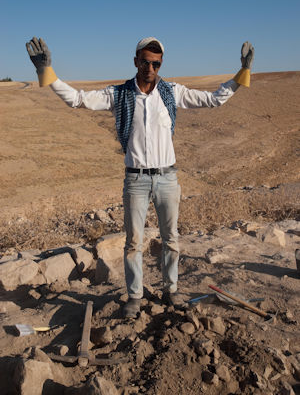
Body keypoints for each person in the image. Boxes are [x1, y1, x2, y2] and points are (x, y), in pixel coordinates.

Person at [26, 36, 254, 318]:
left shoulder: (172, 92)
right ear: (135, 62)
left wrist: (242, 72)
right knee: (133, 242)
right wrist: (46, 72)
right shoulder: (118, 94)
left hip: (168, 179)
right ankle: (134, 295)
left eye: (155, 63)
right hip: (135, 180)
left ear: (160, 65)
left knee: (171, 239)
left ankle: (172, 290)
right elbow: (77, 100)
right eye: (145, 62)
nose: (150, 68)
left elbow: (213, 100)